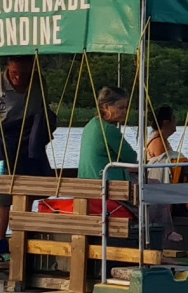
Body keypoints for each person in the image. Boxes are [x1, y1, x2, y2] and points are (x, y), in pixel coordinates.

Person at [0, 56, 54, 239]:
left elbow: (43, 110)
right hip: (1, 146)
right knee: (2, 199)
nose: (18, 78)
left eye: (24, 74)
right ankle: (1, 241)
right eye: (14, 73)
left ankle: (21, 239)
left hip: (27, 145)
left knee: (26, 192)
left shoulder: (38, 82)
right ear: (8, 69)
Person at [45, 86, 137, 219]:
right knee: (154, 191)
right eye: (121, 108)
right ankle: (164, 232)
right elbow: (131, 157)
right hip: (107, 188)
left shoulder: (90, 125)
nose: (125, 112)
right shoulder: (109, 130)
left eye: (126, 108)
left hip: (88, 186)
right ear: (106, 107)